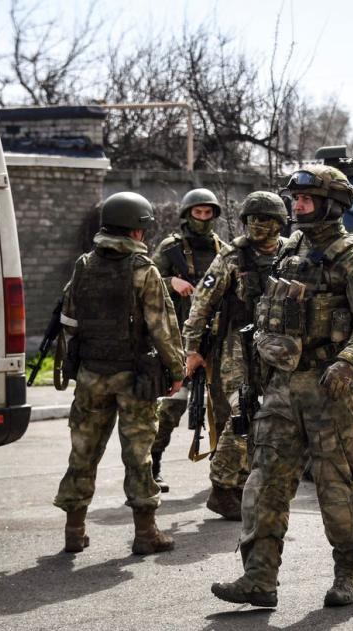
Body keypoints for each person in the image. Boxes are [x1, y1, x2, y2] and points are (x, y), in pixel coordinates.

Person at [211, 166, 353, 608]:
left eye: (307, 199)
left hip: (330, 390)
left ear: (332, 204)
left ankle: (348, 573)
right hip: (280, 388)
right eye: (296, 199)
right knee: (264, 482)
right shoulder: (289, 251)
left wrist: (349, 362)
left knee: (336, 488)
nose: (297, 206)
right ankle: (258, 579)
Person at [53, 191, 185, 555]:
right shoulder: (144, 271)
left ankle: (74, 530)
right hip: (134, 378)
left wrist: (69, 365)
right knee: (138, 454)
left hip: (91, 374)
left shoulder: (84, 264)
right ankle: (146, 534)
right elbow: (162, 326)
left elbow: (69, 318)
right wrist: (176, 369)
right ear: (138, 231)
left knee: (83, 451)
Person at [183, 191, 288, 520]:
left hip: (276, 348)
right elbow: (202, 303)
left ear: (279, 223)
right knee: (241, 415)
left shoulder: (291, 254)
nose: (257, 225)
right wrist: (192, 349)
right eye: (251, 219)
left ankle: (244, 482)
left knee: (270, 418)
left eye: (265, 219)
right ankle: (221, 486)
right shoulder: (231, 257)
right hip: (235, 347)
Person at [150, 188, 228, 492]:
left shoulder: (223, 250)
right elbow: (147, 280)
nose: (204, 218)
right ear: (188, 214)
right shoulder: (171, 248)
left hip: (215, 339)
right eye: (198, 213)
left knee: (220, 408)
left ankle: (222, 471)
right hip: (179, 341)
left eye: (209, 213)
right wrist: (172, 282)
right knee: (171, 407)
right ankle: (152, 465)